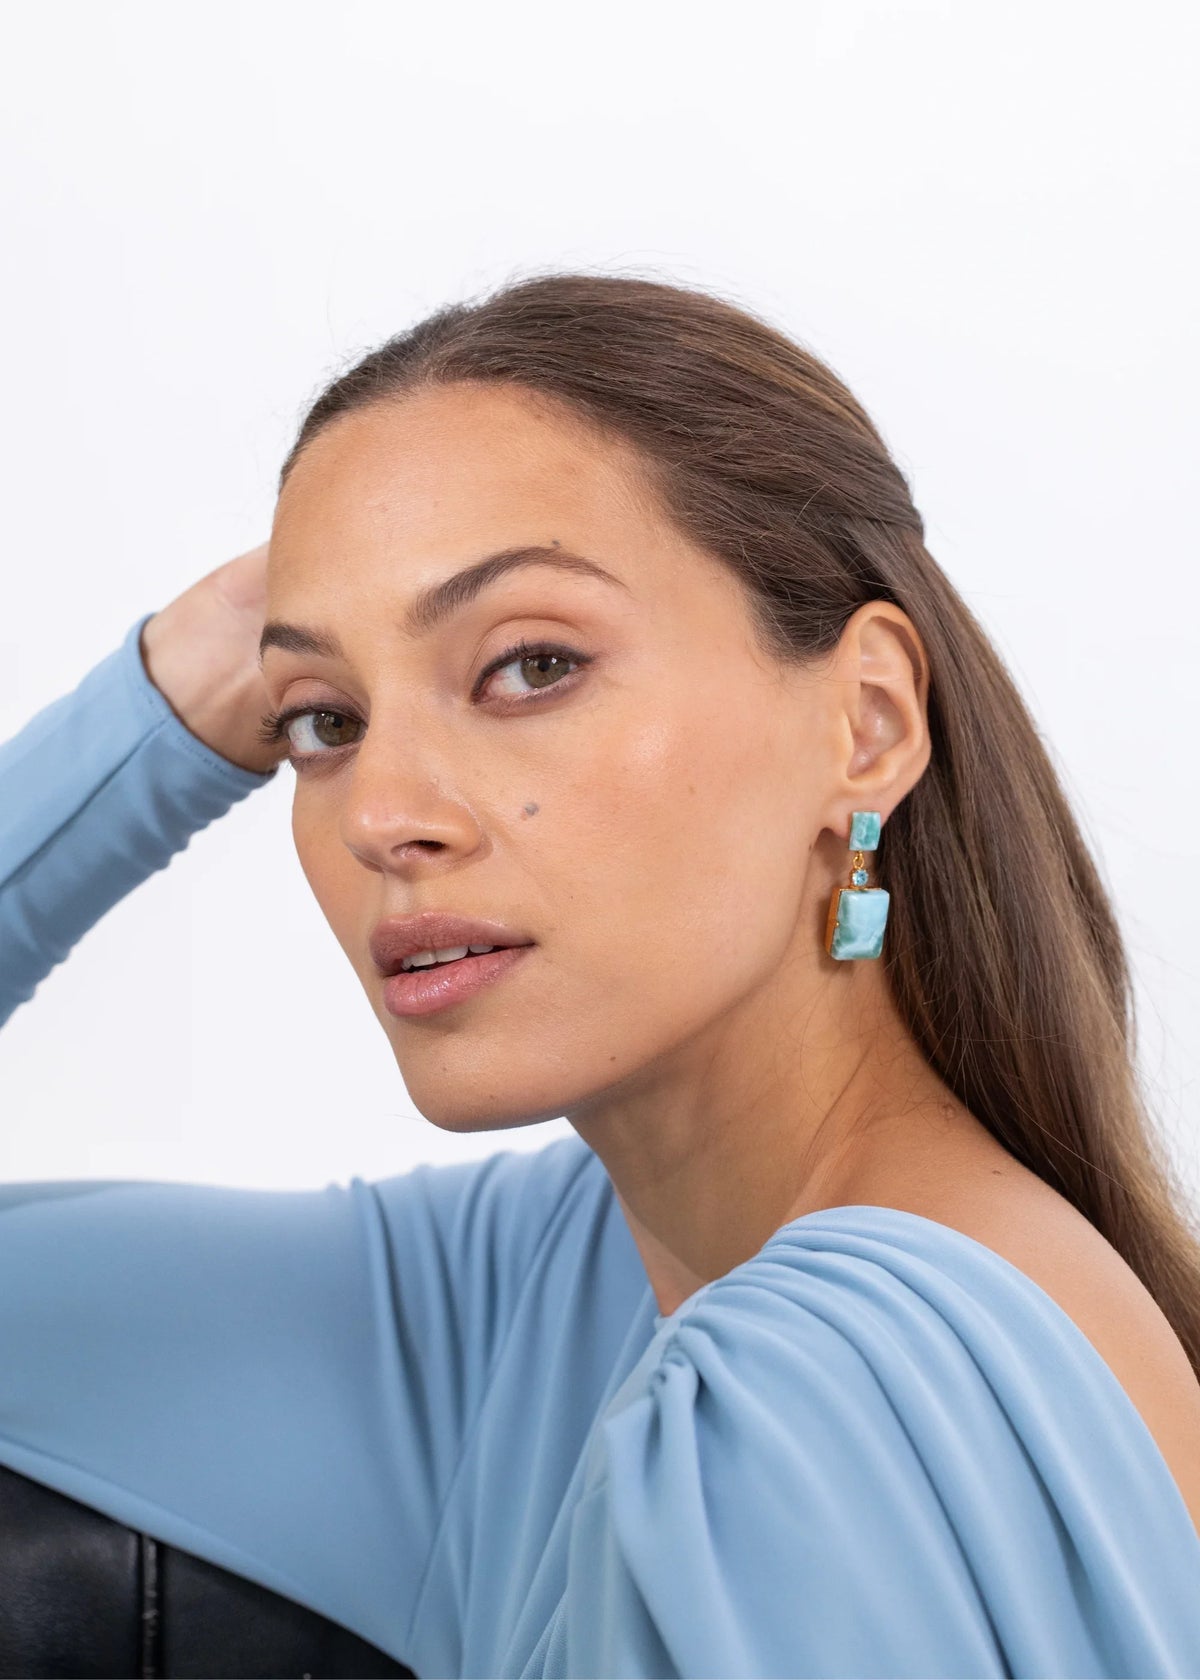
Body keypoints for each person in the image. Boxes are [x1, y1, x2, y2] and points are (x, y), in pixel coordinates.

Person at [2, 271, 1199, 1679]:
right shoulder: (533, 1301)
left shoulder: (819, 1407)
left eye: (529, 666)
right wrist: (177, 693)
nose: (385, 812)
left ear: (866, 725)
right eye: (324, 716)